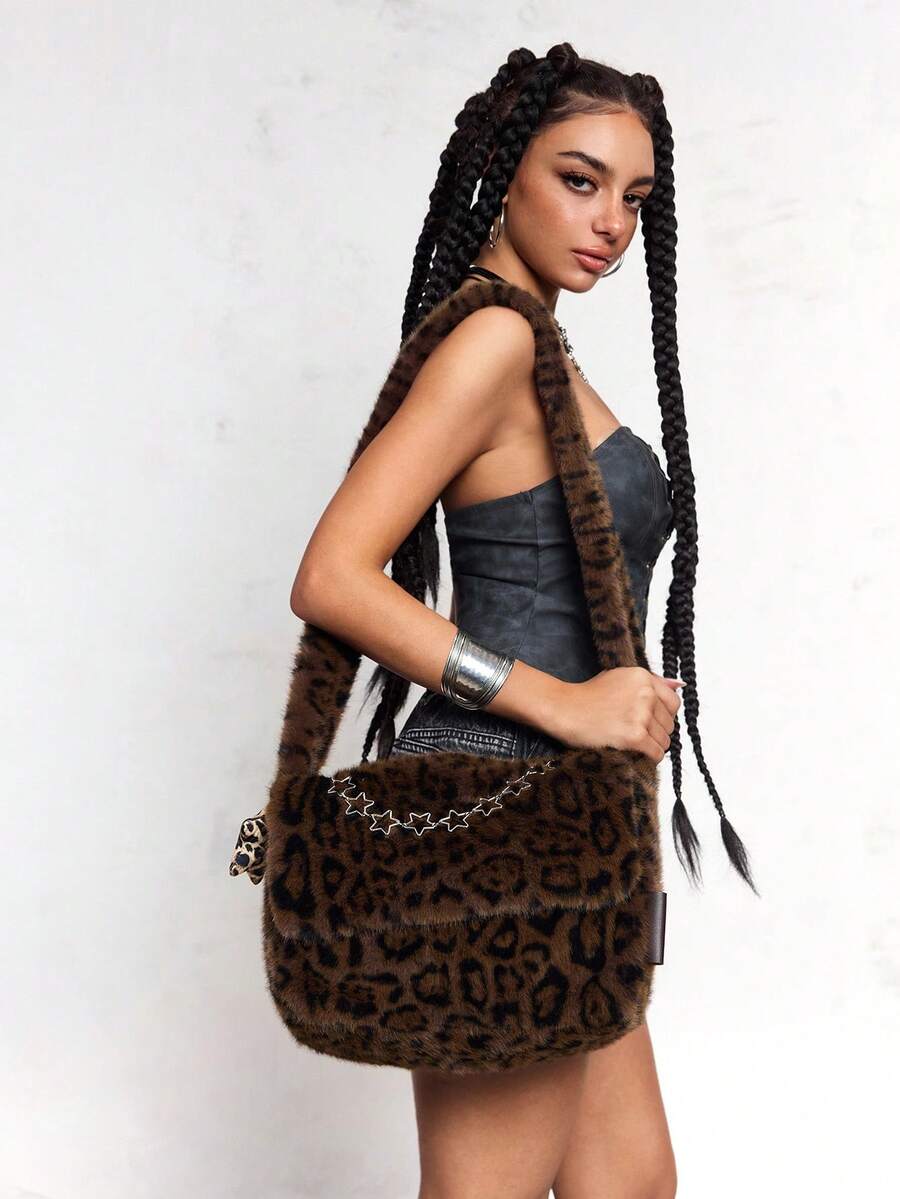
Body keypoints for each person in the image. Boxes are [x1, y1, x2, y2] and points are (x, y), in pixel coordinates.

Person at [289, 42, 754, 1199]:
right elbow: (334, 576)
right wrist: (566, 703)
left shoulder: (537, 339)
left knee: (627, 1183)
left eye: (634, 197)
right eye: (579, 180)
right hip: (501, 817)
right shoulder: (493, 338)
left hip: (567, 820)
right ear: (506, 171)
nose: (610, 223)